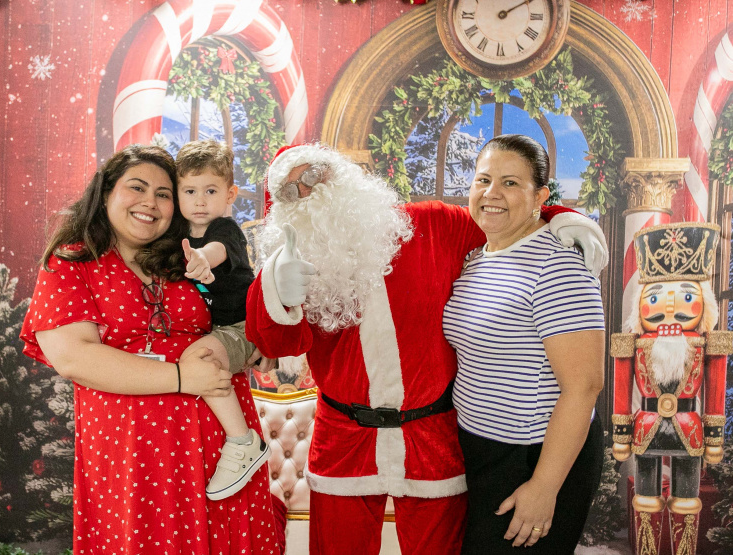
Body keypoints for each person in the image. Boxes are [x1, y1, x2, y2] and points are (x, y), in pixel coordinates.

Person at [245, 142, 609, 555]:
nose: (308, 193)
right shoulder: (294, 260)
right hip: (344, 440)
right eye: (291, 191)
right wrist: (275, 289)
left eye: (313, 176)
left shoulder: (434, 225)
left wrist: (562, 218)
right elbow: (275, 345)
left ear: (343, 176)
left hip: (432, 438)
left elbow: (503, 221)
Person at [19, 144, 282, 554]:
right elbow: (73, 357)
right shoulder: (72, 263)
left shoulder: (186, 254)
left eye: (163, 193)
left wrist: (257, 343)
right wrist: (181, 377)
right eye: (137, 188)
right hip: (132, 460)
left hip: (222, 460)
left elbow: (237, 314)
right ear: (106, 192)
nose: (151, 202)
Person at [442, 135, 605, 553]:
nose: (492, 193)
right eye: (483, 180)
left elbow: (584, 385)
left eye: (511, 183)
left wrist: (544, 487)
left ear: (540, 196)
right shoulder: (478, 257)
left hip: (532, 456)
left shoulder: (558, 263)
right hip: (477, 451)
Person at [612, 222, 728, 555]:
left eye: (686, 296)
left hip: (689, 428)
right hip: (646, 426)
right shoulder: (632, 343)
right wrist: (621, 435)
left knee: (686, 502)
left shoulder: (708, 344)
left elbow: (716, 390)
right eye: (657, 296)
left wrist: (715, 437)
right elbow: (621, 388)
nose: (669, 305)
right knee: (645, 499)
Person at [174, 139, 272, 501]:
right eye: (190, 190)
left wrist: (201, 259)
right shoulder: (176, 233)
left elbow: (217, 251)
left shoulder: (225, 229)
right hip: (214, 329)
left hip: (240, 327)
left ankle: (243, 441)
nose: (200, 200)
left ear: (230, 194)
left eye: (211, 190)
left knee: (196, 360)